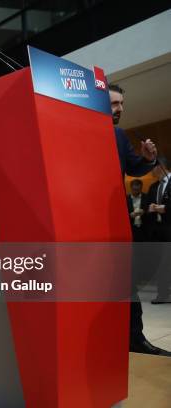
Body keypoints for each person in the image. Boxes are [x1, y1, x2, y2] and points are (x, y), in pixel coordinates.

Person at [109, 84, 171, 356]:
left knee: (128, 284)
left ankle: (135, 339)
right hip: (82, 220)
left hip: (115, 220)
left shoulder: (119, 135)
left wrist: (149, 159)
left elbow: (134, 166)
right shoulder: (75, 131)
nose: (120, 109)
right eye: (114, 103)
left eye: (122, 103)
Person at [145, 158, 171, 304]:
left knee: (166, 263)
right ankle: (163, 292)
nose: (151, 172)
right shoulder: (154, 186)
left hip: (170, 228)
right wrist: (151, 208)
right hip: (158, 231)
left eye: (152, 169)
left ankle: (163, 293)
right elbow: (148, 205)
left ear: (160, 167)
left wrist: (165, 208)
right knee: (162, 262)